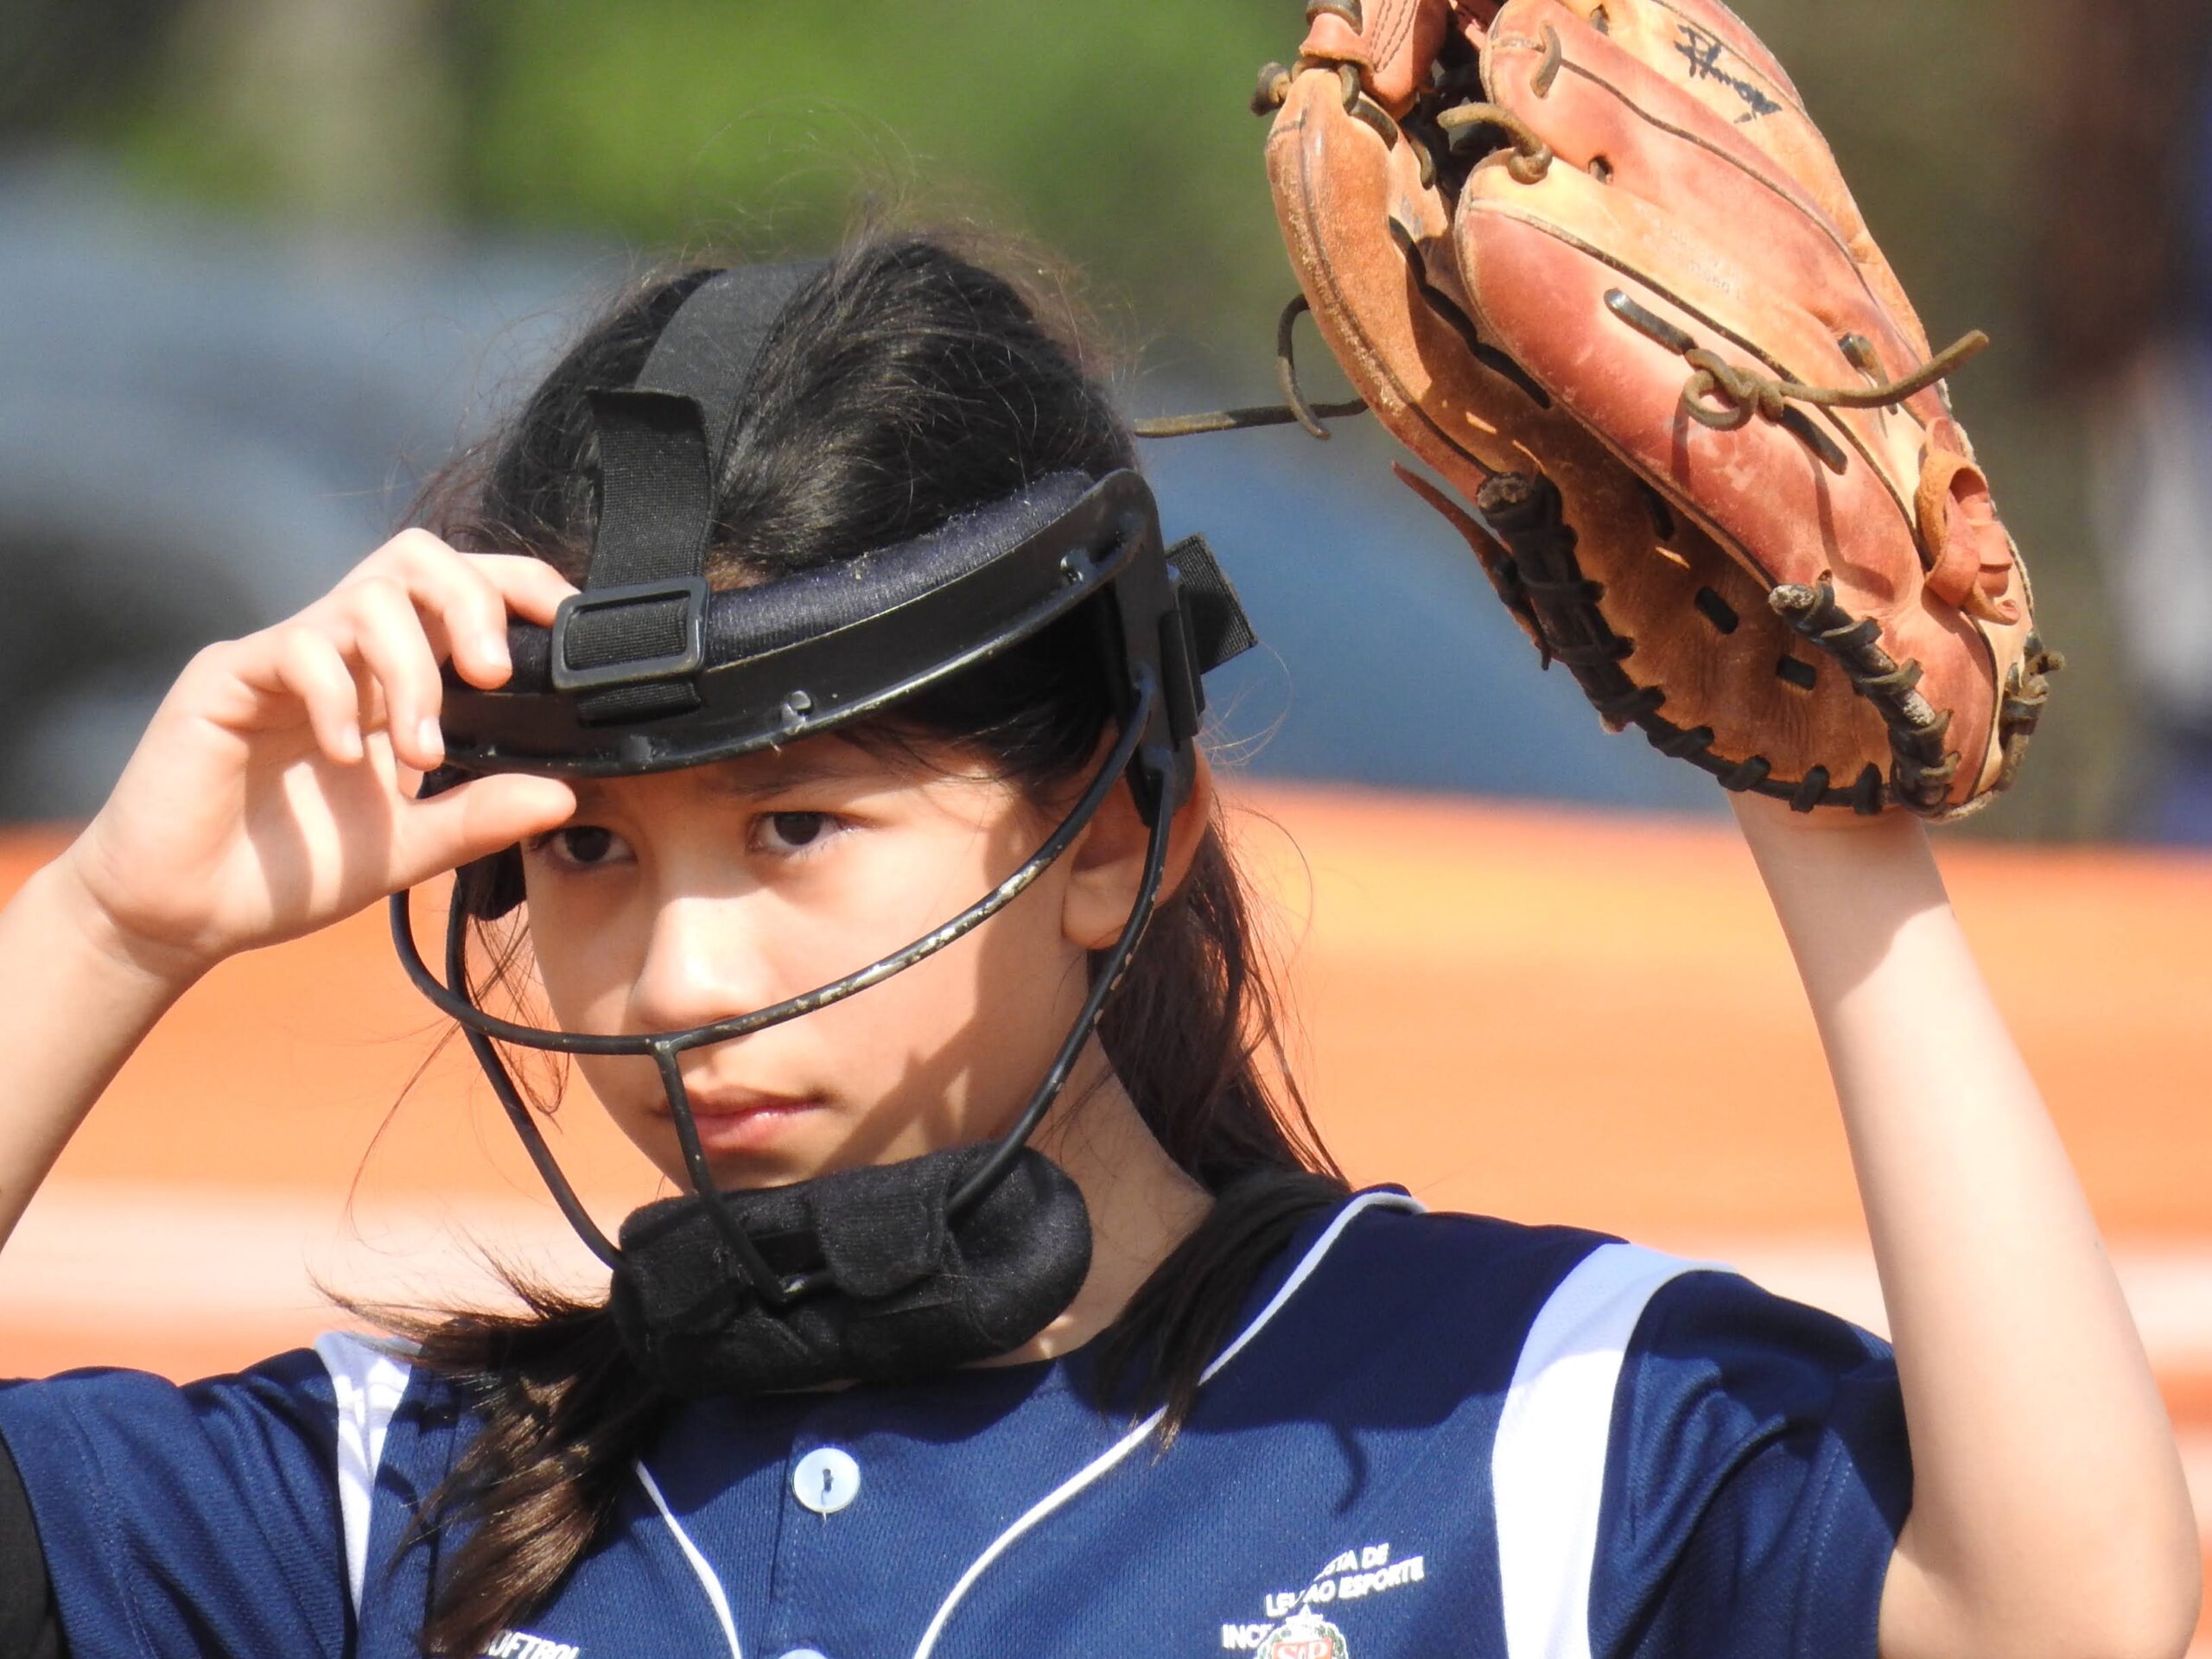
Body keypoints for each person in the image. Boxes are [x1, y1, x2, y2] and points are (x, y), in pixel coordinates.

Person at [0, 234, 2196, 1659]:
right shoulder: (398, 1511)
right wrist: (109, 924)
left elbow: (2075, 1620)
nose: (670, 981)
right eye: (579, 853)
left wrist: (1812, 806)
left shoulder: (1511, 1419)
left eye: (794, 823)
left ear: (1111, 825)